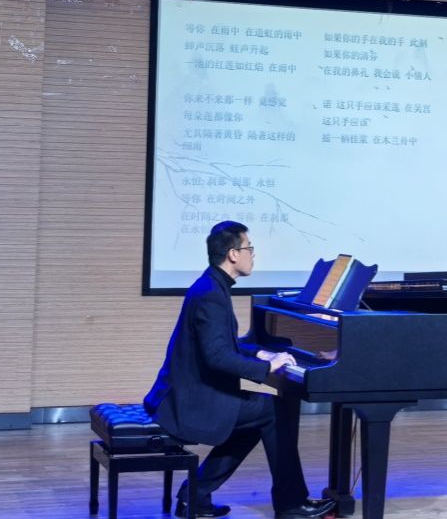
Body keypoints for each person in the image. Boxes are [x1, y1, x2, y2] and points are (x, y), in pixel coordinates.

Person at [144, 220, 335, 519]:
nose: (253, 254)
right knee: (273, 410)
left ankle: (196, 494)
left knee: (259, 416)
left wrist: (258, 351)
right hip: (190, 400)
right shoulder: (211, 293)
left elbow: (223, 344)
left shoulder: (211, 285)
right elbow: (217, 357)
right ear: (233, 254)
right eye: (249, 248)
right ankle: (291, 504)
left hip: (192, 391)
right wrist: (267, 365)